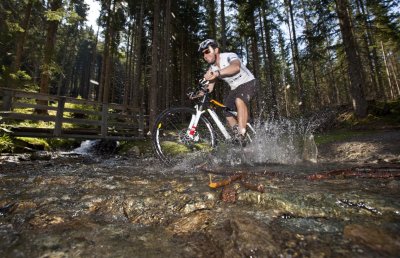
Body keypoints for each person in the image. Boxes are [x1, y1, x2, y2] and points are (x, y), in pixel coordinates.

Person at [198, 39, 257, 142]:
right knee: (226, 111)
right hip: (235, 89)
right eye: (203, 54)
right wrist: (198, 93)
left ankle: (241, 133)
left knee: (239, 100)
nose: (205, 56)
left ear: (216, 50)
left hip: (249, 82)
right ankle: (241, 140)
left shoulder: (229, 56)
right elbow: (209, 88)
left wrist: (216, 73)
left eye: (207, 51)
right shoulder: (212, 67)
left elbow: (236, 67)